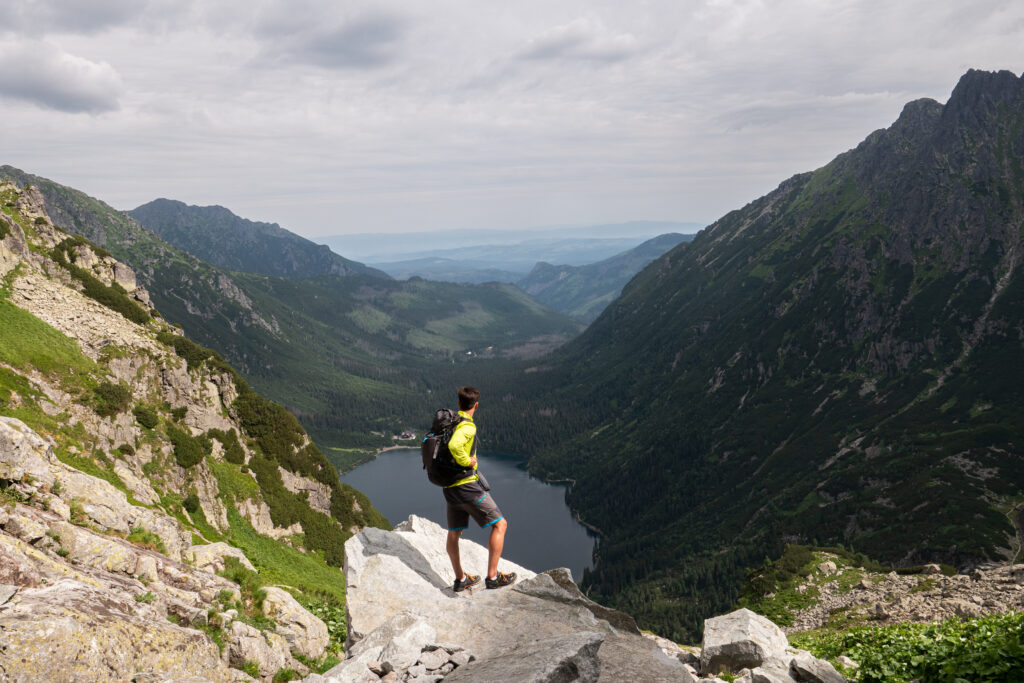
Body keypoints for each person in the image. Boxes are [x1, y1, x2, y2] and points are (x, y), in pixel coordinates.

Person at [444, 385, 517, 591]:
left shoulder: (450, 422)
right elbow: (454, 446)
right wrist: (467, 461)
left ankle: (460, 579)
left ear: (459, 403)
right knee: (500, 525)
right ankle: (492, 578)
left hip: (450, 488)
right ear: (476, 405)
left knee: (454, 533)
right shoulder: (467, 426)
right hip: (467, 487)